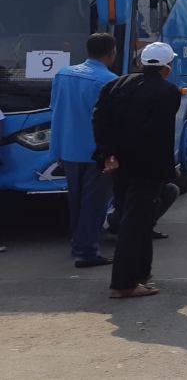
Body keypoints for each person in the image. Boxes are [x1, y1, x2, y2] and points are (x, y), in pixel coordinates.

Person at [93, 42, 182, 299]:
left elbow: (100, 119)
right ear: (166, 67)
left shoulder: (116, 84)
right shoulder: (168, 92)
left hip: (118, 163)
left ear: (142, 63)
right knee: (134, 223)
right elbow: (159, 134)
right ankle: (123, 283)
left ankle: (142, 274)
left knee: (137, 220)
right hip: (147, 166)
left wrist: (107, 154)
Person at [49, 33, 120, 268]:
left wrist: (56, 148)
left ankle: (77, 242)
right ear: (111, 53)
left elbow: (56, 111)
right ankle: (86, 251)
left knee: (76, 201)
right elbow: (110, 123)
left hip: (68, 149)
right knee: (95, 203)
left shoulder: (63, 74)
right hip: (95, 153)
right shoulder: (110, 81)